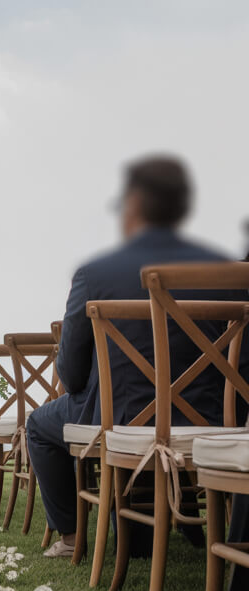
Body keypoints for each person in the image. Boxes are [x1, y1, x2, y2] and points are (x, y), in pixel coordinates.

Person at [26, 155, 243, 559]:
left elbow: (71, 374)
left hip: (122, 421)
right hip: (214, 424)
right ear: (182, 207)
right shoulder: (230, 271)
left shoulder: (96, 273)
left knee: (38, 424)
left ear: (135, 205)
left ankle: (72, 536)